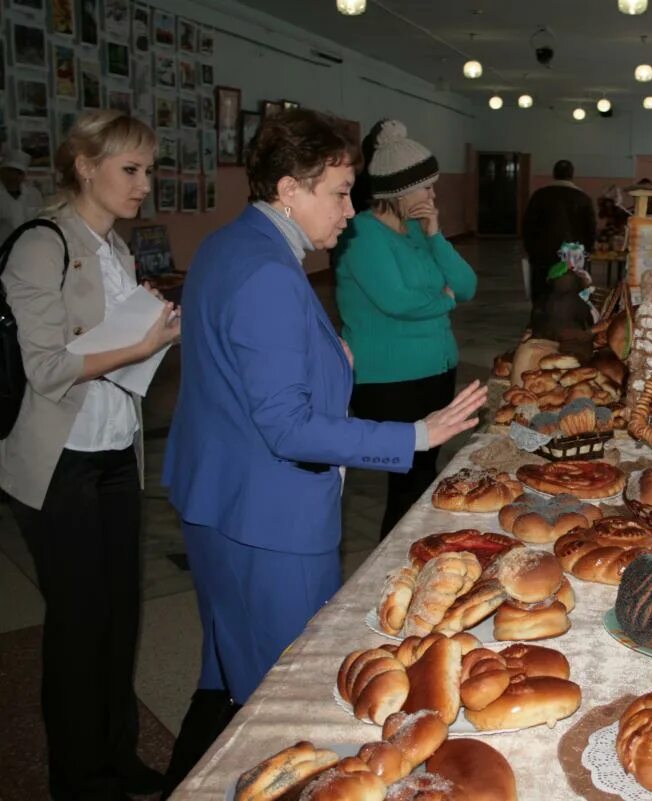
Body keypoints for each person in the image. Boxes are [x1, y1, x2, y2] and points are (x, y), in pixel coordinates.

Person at [161, 109, 486, 791]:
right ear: (289, 188)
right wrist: (417, 434)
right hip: (269, 514)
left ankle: (185, 780)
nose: (350, 209)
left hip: (217, 494)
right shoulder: (270, 275)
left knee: (226, 671)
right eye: (339, 191)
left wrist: (328, 357)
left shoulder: (227, 246)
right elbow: (289, 425)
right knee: (287, 700)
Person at [0, 111, 177, 801]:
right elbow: (46, 367)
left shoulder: (117, 249)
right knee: (78, 624)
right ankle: (77, 777)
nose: (145, 184)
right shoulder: (41, 245)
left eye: (149, 170)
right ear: (84, 165)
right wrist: (135, 347)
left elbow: (116, 351)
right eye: (131, 170)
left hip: (113, 453)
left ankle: (118, 754)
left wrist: (154, 333)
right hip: (61, 461)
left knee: (120, 614)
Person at [335, 119, 478, 538]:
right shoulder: (362, 233)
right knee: (408, 482)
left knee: (423, 476)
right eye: (426, 188)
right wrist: (444, 300)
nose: (433, 195)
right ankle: (394, 564)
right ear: (399, 191)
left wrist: (436, 236)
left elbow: (467, 285)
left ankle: (414, 552)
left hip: (434, 369)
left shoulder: (418, 230)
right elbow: (395, 302)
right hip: (389, 379)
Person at [521, 159, 595, 308]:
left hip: (542, 254)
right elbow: (590, 229)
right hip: (573, 256)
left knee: (542, 290)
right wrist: (587, 251)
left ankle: (540, 322)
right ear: (572, 175)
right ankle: (568, 320)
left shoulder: (540, 196)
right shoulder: (582, 198)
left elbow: (527, 226)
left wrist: (531, 250)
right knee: (570, 289)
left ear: (554, 174)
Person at [0, 148, 46, 243]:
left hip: (28, 246)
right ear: (2, 171)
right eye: (10, 171)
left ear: (24, 176)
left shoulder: (34, 194)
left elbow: (41, 221)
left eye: (19, 173)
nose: (13, 176)